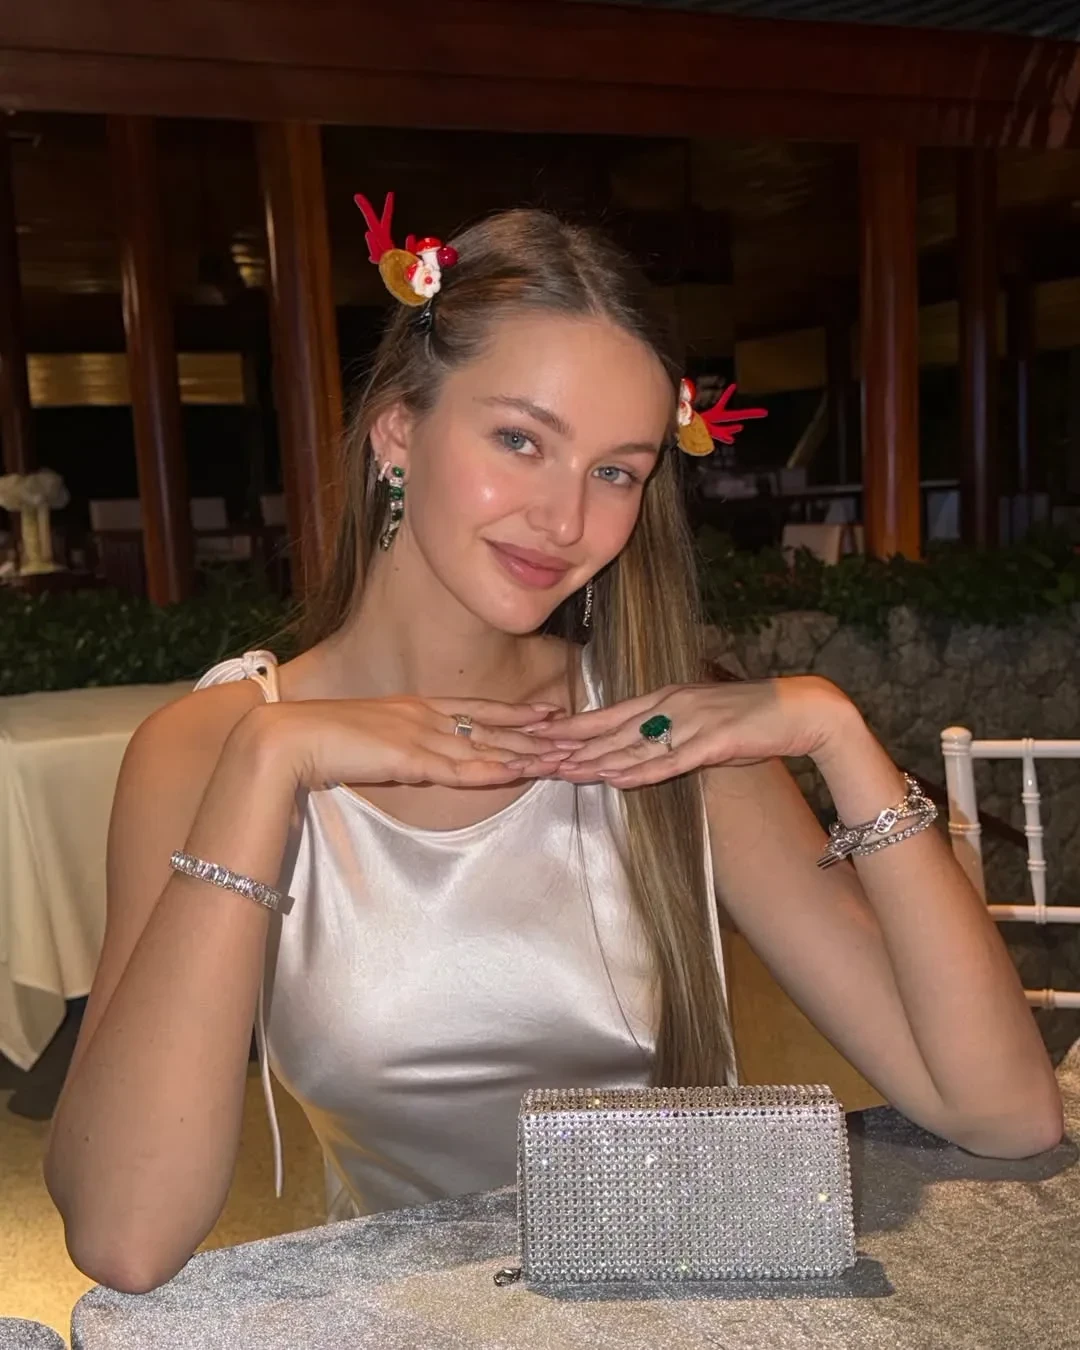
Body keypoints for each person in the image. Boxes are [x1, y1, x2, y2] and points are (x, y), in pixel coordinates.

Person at [45, 202, 1063, 1295]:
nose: (566, 520)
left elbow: (1004, 1113)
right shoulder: (210, 749)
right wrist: (268, 760)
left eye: (616, 471)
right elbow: (125, 1239)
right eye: (521, 441)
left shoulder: (662, 737)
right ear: (397, 432)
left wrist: (838, 732)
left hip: (685, 1304)